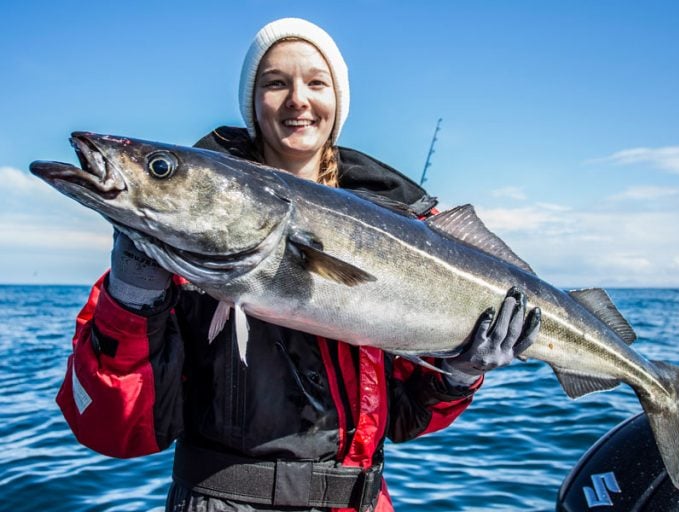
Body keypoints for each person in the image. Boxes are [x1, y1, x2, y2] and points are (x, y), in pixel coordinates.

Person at [56, 17, 541, 512]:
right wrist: (133, 297)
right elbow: (113, 430)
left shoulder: (404, 231)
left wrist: (457, 374)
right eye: (275, 83)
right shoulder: (172, 262)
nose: (297, 99)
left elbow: (405, 420)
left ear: (337, 100)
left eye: (316, 82)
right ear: (252, 103)